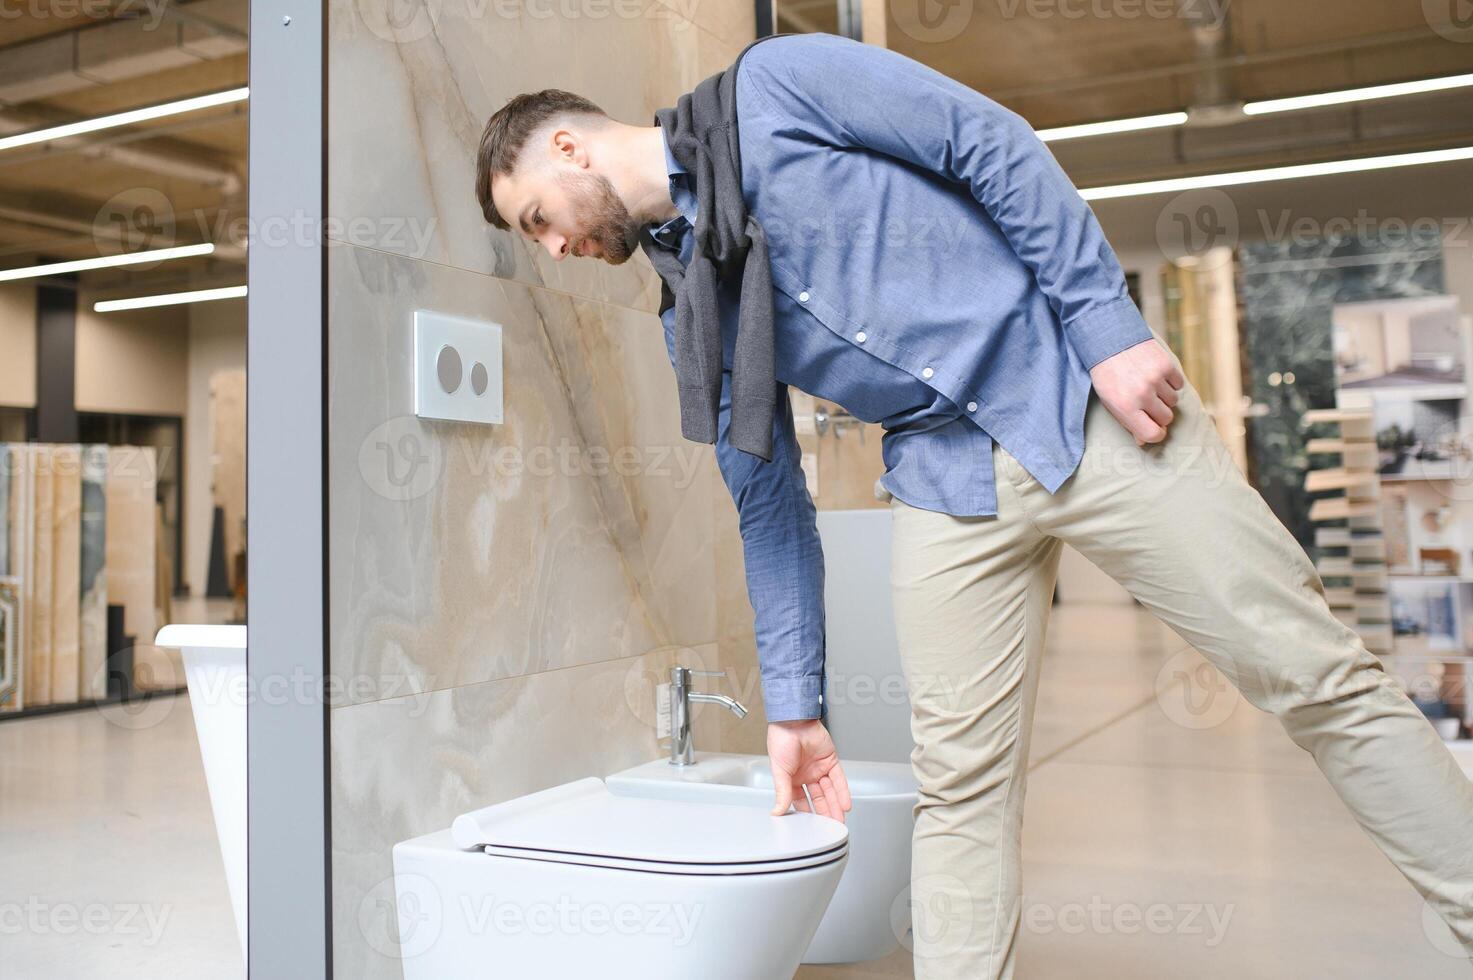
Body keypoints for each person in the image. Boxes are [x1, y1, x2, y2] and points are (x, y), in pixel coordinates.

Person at [472, 30, 1473, 979]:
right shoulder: (692, 306)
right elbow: (770, 502)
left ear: (569, 146)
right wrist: (795, 704)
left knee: (1317, 676)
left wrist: (1105, 325)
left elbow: (986, 143)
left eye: (537, 219)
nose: (552, 248)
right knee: (961, 789)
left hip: (1077, 400)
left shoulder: (781, 83)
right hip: (945, 483)